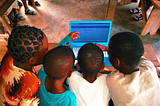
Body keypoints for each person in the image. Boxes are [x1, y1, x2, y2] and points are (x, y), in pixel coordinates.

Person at [0, 25, 80, 105]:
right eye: (46, 51)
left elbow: (53, 57)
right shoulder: (31, 86)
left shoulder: (14, 53)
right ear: (32, 60)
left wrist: (65, 41)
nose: (48, 54)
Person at [106, 32, 160, 106]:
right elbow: (139, 56)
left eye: (108, 54)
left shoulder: (112, 79)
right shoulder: (149, 67)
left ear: (116, 61)